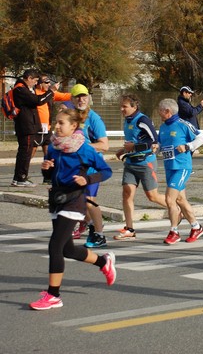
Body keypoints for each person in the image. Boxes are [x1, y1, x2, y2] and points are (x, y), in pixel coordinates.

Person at [30, 109, 115, 310]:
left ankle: (53, 295)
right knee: (67, 249)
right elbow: (52, 174)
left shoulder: (84, 149)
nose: (56, 127)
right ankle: (103, 262)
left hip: (74, 201)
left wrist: (87, 179)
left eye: (61, 123)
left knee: (55, 246)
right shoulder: (54, 147)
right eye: (55, 123)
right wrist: (46, 168)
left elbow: (106, 171)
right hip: (57, 199)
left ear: (73, 126)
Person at [113, 94, 167, 240]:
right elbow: (132, 141)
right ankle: (129, 229)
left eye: (125, 106)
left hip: (145, 163)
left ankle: (175, 209)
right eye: (121, 106)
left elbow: (153, 141)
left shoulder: (143, 120)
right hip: (130, 163)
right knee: (127, 193)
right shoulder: (127, 120)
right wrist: (123, 150)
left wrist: (133, 146)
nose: (121, 109)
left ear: (134, 106)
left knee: (152, 196)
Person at [157, 98, 203, 244]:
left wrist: (188, 146)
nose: (159, 113)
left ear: (167, 111)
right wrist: (156, 148)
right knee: (181, 200)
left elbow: (201, 138)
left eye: (160, 110)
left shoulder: (183, 125)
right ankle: (196, 227)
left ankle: (174, 232)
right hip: (169, 167)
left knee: (169, 199)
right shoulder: (163, 127)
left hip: (182, 167)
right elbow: (161, 144)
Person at [70, 84, 110, 247]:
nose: (81, 99)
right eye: (78, 96)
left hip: (92, 167)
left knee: (88, 201)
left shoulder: (94, 118)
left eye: (84, 96)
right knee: (77, 201)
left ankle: (99, 234)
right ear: (72, 99)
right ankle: (88, 224)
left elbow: (104, 145)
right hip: (75, 167)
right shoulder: (70, 116)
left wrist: (81, 146)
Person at [11, 69, 54, 187]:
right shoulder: (20, 89)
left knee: (25, 152)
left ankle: (18, 178)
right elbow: (38, 101)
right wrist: (50, 92)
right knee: (25, 153)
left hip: (28, 126)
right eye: (35, 80)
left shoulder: (24, 89)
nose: (36, 83)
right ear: (29, 78)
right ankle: (21, 178)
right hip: (26, 127)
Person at [31, 75, 72, 183]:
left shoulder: (51, 94)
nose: (49, 85)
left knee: (48, 153)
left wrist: (78, 94)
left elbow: (64, 96)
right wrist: (52, 91)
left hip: (47, 129)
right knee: (30, 152)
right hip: (35, 129)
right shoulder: (34, 94)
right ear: (39, 84)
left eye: (49, 83)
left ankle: (47, 177)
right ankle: (22, 175)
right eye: (46, 82)